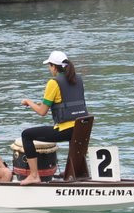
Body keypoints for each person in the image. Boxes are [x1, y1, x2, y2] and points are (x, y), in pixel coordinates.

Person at [19, 50, 90, 185]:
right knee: (72, 137)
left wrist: (28, 102)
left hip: (66, 130)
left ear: (53, 66)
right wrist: (44, 104)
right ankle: (72, 171)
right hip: (81, 128)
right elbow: (68, 102)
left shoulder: (53, 82)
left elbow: (42, 112)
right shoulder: (78, 79)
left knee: (26, 135)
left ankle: (34, 175)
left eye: (49, 66)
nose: (49, 69)